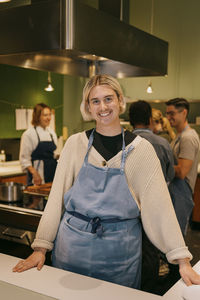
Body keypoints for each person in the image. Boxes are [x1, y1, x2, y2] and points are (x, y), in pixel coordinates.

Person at [13, 75, 200, 290]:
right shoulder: (75, 145)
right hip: (71, 251)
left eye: (109, 99)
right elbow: (56, 200)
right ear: (88, 107)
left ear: (120, 101)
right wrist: (41, 248)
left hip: (120, 257)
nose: (103, 106)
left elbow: (160, 208)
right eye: (95, 101)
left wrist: (182, 260)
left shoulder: (142, 150)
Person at [129, 100, 175, 293]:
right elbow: (170, 175)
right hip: (154, 207)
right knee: (151, 248)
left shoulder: (121, 142)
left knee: (130, 248)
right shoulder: (162, 143)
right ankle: (148, 291)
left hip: (127, 208)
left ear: (130, 120)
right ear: (149, 120)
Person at [166, 98, 200, 235]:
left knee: (176, 239)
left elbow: (181, 172)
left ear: (184, 112)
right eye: (167, 113)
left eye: (172, 113)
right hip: (175, 192)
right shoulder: (179, 136)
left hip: (182, 193)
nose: (168, 117)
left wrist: (159, 167)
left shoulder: (188, 138)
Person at [19, 103, 58, 185]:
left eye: (49, 115)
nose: (49, 118)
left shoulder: (51, 132)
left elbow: (52, 154)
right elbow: (24, 160)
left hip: (52, 174)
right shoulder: (29, 134)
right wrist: (35, 174)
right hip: (38, 176)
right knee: (38, 197)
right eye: (45, 115)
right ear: (37, 117)